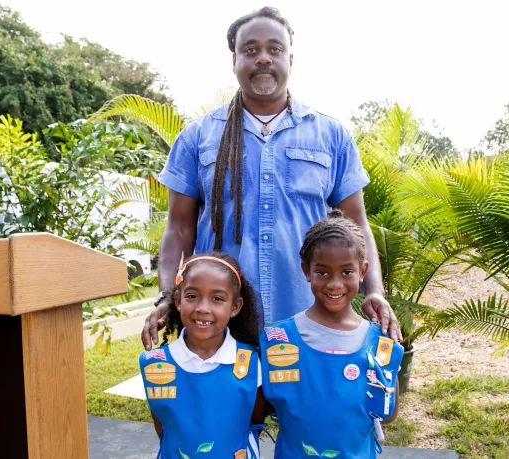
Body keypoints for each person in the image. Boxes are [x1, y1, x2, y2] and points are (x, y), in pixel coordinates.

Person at [142, 6, 401, 352]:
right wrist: (165, 296)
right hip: (221, 326)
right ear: (234, 60)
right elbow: (178, 229)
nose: (263, 58)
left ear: (290, 60)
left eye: (274, 49)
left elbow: (357, 224)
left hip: (310, 320)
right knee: (232, 408)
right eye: (251, 50)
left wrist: (375, 293)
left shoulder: (331, 136)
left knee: (305, 408)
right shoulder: (197, 138)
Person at [259, 210, 403, 457]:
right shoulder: (277, 341)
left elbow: (388, 414)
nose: (335, 283)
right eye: (322, 272)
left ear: (363, 271)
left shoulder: (381, 345)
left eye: (347, 272)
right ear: (306, 271)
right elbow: (258, 411)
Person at [138, 252, 265, 459]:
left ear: (235, 307)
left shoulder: (249, 362)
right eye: (192, 296)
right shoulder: (156, 365)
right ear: (178, 301)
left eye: (217, 298)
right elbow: (164, 428)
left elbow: (254, 419)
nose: (203, 308)